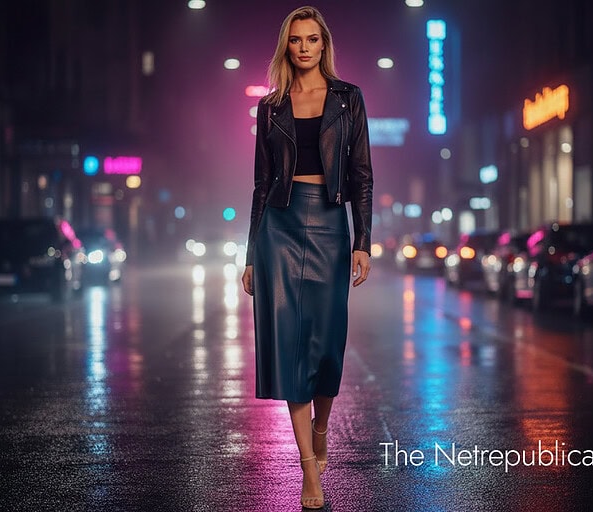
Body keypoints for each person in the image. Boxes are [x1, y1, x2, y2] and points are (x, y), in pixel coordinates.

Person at [241, 5, 373, 509]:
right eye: (295, 40)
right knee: (290, 342)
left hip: (330, 223)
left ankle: (322, 426)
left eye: (311, 40)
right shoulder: (270, 106)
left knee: (326, 341)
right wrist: (251, 253)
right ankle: (308, 470)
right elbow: (259, 183)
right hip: (280, 223)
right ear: (286, 46)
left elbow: (362, 175)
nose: (303, 48)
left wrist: (363, 241)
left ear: (323, 45)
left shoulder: (348, 99)